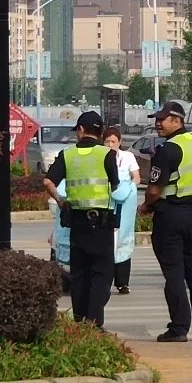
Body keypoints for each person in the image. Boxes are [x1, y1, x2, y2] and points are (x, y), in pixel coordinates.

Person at [142, 100, 192, 343]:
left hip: (171, 215)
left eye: (162, 119)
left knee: (174, 273)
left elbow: (154, 189)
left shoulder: (168, 149)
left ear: (177, 121)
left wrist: (146, 206)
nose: (157, 124)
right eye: (157, 119)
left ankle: (179, 327)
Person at [42, 111, 119, 327]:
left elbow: (48, 182)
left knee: (79, 274)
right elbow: (115, 185)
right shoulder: (107, 154)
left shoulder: (67, 155)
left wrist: (61, 201)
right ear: (100, 131)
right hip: (101, 224)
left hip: (76, 222)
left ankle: (79, 322)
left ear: (82, 130)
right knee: (101, 274)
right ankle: (93, 323)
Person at [104, 127, 140, 294]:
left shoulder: (128, 157)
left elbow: (136, 177)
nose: (110, 144)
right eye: (107, 141)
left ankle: (122, 282)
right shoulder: (100, 157)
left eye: (113, 141)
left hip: (124, 203)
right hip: (107, 201)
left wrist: (129, 188)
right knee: (107, 241)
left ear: (120, 142)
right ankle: (105, 279)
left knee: (123, 238)